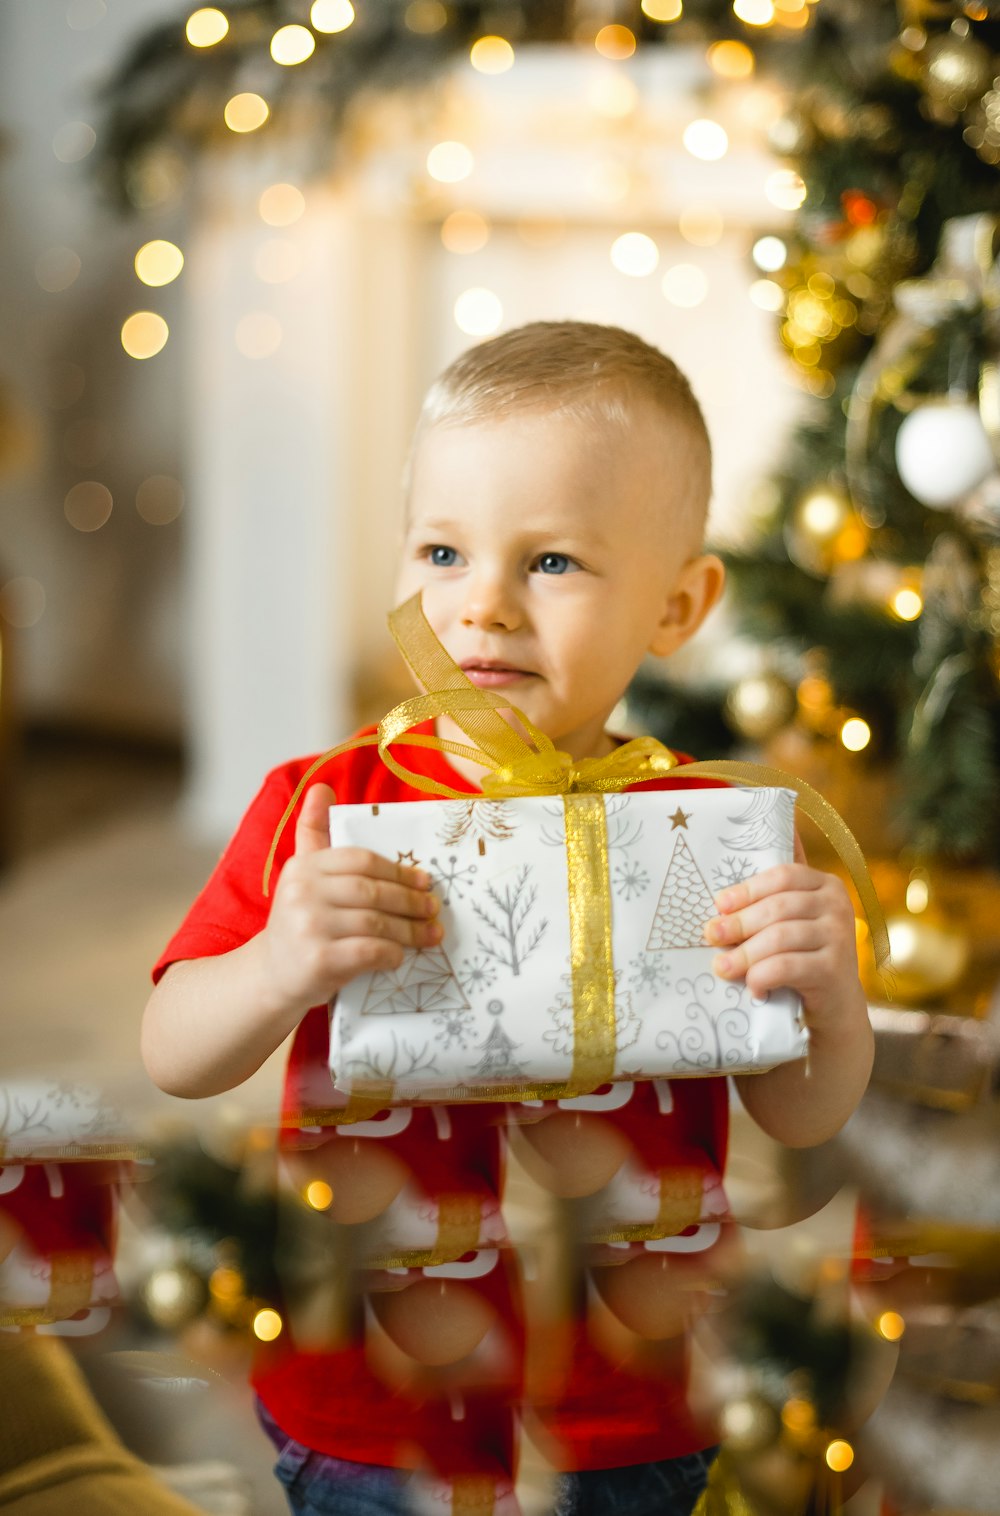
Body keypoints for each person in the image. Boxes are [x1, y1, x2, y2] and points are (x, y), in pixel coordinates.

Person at [142, 321, 873, 1516]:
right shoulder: (327, 804)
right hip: (373, 1402)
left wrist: (830, 1001)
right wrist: (280, 961)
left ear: (678, 605)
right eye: (441, 550)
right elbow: (172, 1053)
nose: (480, 606)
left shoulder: (710, 832)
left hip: (635, 1406)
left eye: (551, 563)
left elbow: (798, 1119)